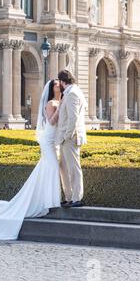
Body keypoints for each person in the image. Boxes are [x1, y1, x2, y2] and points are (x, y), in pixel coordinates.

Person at [0, 79, 62, 240]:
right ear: (53, 88)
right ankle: (51, 200)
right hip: (48, 139)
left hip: (54, 139)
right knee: (52, 166)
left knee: (47, 167)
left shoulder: (59, 101)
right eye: (57, 84)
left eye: (59, 83)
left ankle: (48, 199)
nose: (59, 85)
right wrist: (60, 109)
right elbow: (51, 121)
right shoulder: (51, 103)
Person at [56, 70, 88, 208]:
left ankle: (76, 198)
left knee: (73, 168)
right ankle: (69, 196)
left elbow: (73, 118)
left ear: (63, 82)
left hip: (70, 137)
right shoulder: (73, 92)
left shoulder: (72, 93)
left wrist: (66, 136)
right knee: (64, 167)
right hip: (67, 137)